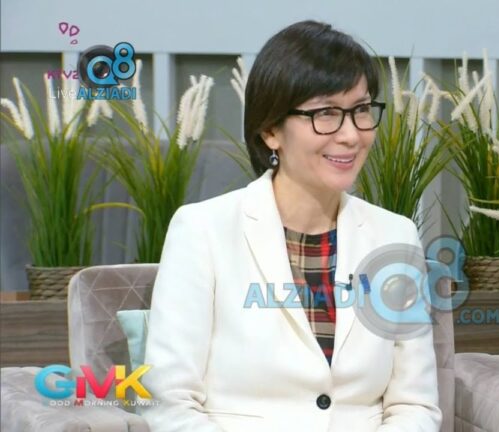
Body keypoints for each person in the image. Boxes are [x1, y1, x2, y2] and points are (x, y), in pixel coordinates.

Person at [141, 20, 442, 432]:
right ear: (270, 130)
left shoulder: (395, 236)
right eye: (326, 114)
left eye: (360, 110)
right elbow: (168, 402)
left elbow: (415, 404)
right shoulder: (202, 231)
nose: (351, 135)